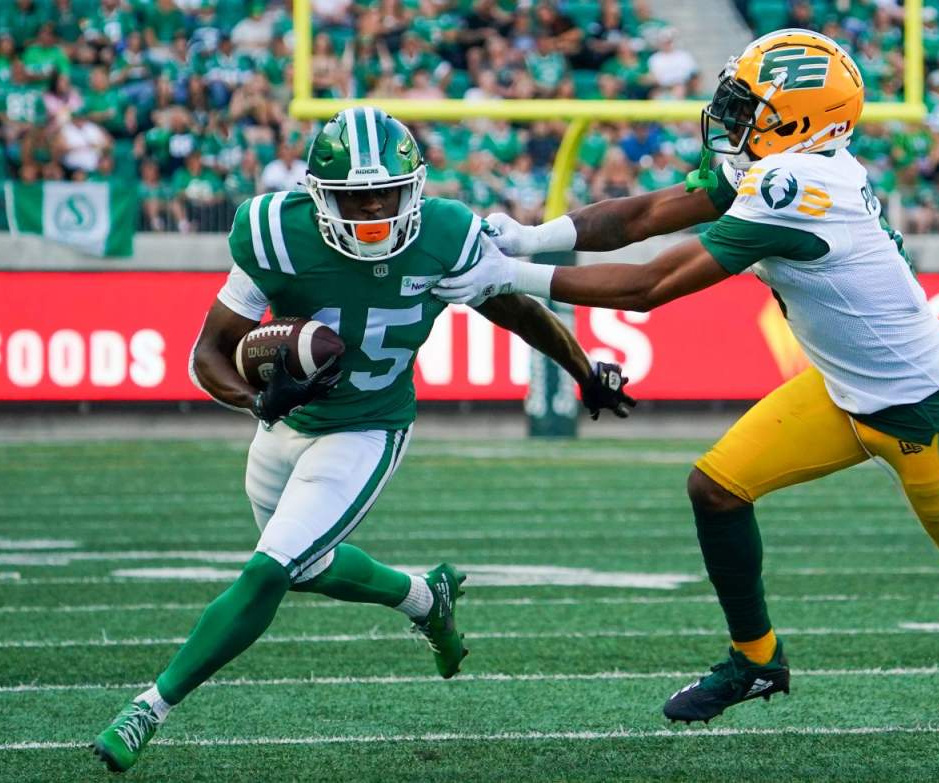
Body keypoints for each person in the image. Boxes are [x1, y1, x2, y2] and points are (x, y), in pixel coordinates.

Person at [434, 29, 939, 765]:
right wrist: (527, 237)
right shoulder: (784, 165)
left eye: (751, 107)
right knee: (715, 488)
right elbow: (649, 215)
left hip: (924, 410)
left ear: (803, 122)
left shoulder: (795, 187)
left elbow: (652, 286)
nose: (730, 117)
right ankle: (756, 659)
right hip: (842, 393)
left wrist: (507, 278)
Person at [91, 107, 635, 773]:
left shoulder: (445, 233)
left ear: (417, 186)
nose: (377, 210)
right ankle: (424, 596)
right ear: (318, 196)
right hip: (285, 427)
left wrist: (584, 371)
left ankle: (150, 705)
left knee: (270, 568)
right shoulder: (273, 232)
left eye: (390, 192)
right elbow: (209, 353)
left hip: (368, 427)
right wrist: (257, 400)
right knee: (306, 567)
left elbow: (516, 308)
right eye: (358, 196)